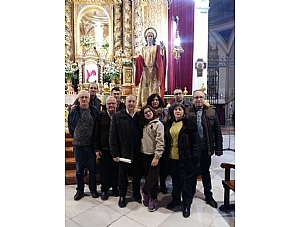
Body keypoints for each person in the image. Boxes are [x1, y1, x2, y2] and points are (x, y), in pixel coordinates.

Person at [186, 89, 223, 208]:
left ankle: (208, 195)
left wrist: (219, 148)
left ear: (204, 99)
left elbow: (217, 131)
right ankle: (190, 193)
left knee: (205, 172)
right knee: (191, 173)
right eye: (196, 97)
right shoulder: (187, 112)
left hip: (206, 148)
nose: (199, 100)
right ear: (193, 100)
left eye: (201, 97)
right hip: (192, 150)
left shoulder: (211, 112)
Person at [164, 102, 201, 218]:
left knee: (186, 183)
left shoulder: (189, 124)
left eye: (180, 109)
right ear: (172, 112)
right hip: (172, 158)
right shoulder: (169, 124)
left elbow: (196, 142)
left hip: (186, 159)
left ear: (183, 111)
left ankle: (186, 205)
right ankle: (175, 200)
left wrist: (195, 157)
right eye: (175, 110)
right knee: (175, 182)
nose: (177, 111)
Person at [109, 94, 144, 208]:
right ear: (125, 102)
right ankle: (122, 196)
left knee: (137, 174)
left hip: (137, 151)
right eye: (129, 101)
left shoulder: (139, 116)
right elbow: (112, 136)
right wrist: (114, 153)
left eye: (133, 101)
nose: (131, 104)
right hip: (124, 151)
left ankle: (136, 194)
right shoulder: (118, 116)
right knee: (123, 175)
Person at [68, 90, 100, 200]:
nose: (84, 99)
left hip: (91, 145)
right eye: (82, 97)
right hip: (78, 145)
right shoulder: (73, 111)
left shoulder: (94, 110)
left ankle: (93, 189)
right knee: (79, 170)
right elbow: (70, 125)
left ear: (89, 99)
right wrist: (76, 136)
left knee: (92, 169)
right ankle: (80, 190)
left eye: (86, 97)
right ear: (78, 99)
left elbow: (97, 126)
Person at [140, 105, 165, 212]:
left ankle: (145, 191)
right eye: (145, 113)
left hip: (154, 155)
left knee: (153, 177)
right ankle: (153, 198)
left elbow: (160, 141)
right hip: (144, 154)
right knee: (149, 177)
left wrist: (157, 156)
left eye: (149, 111)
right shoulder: (143, 125)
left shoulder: (158, 124)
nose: (148, 113)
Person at [94, 96, 119, 200]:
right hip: (104, 148)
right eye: (109, 104)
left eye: (113, 103)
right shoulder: (101, 116)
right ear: (106, 105)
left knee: (115, 170)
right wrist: (96, 149)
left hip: (117, 149)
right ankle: (104, 189)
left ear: (116, 105)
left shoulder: (119, 116)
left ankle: (114, 187)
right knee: (104, 171)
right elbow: (96, 133)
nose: (111, 105)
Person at [135, 27, 167, 108]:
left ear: (154, 38)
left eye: (151, 36)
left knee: (154, 87)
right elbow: (141, 58)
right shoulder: (143, 48)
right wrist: (137, 59)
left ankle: (155, 104)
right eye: (148, 36)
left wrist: (162, 47)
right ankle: (144, 104)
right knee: (145, 87)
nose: (150, 37)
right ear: (146, 38)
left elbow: (161, 55)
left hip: (154, 70)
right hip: (145, 70)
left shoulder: (156, 47)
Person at [146, 94, 169, 194]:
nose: (155, 102)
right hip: (150, 144)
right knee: (152, 169)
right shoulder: (146, 112)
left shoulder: (165, 112)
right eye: (153, 100)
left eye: (156, 100)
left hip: (163, 142)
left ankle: (163, 184)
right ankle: (152, 186)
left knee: (163, 166)